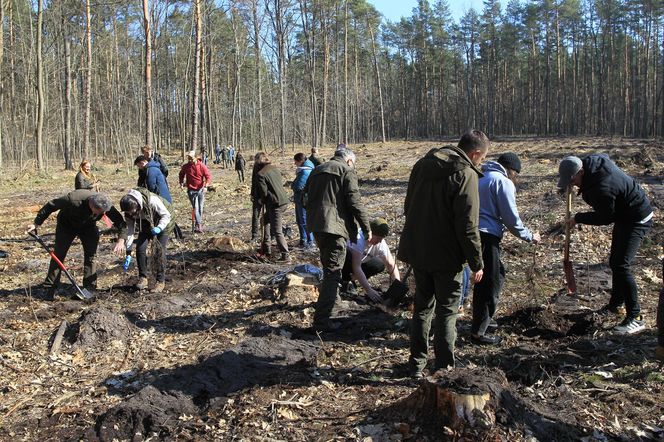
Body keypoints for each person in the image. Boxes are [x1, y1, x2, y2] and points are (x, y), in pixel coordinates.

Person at [398, 130, 488, 377]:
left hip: (419, 251)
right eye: (481, 159)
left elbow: (408, 207)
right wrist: (476, 262)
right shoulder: (466, 173)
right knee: (447, 312)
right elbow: (468, 225)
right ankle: (445, 370)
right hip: (447, 257)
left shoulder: (420, 166)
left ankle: (415, 366)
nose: (480, 163)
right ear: (476, 153)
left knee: (422, 308)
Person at [558, 154, 653, 334]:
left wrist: (578, 218)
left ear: (582, 172)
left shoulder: (602, 188)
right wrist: (573, 186)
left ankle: (636, 316)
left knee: (621, 265)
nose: (572, 184)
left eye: (573, 180)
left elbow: (605, 217)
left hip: (637, 218)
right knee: (615, 262)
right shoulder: (591, 166)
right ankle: (616, 305)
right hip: (624, 215)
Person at [471, 153, 541, 345]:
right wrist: (529, 236)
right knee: (489, 282)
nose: (515, 178)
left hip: (471, 233)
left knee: (495, 274)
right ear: (511, 170)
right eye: (515, 174)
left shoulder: (480, 176)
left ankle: (483, 320)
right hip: (486, 235)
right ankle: (478, 332)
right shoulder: (502, 182)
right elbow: (511, 219)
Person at [305, 147, 372, 331]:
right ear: (349, 161)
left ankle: (335, 302)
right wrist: (366, 228)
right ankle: (321, 322)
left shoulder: (317, 169)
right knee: (333, 273)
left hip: (316, 227)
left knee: (329, 268)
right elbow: (355, 202)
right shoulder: (346, 170)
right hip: (334, 227)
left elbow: (304, 197)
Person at [27, 190, 127, 300]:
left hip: (88, 226)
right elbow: (51, 206)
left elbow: (121, 222)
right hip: (66, 225)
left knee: (91, 255)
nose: (102, 214)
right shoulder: (73, 199)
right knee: (59, 255)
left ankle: (89, 288)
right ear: (91, 205)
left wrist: (121, 240)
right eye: (99, 212)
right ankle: (49, 287)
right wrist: (36, 223)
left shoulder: (105, 205)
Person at [119, 188, 174, 293]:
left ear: (137, 205)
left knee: (159, 250)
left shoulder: (152, 201)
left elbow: (166, 216)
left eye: (132, 212)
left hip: (164, 220)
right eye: (128, 213)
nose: (130, 214)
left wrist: (159, 228)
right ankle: (143, 278)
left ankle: (160, 281)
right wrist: (129, 252)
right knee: (140, 248)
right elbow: (130, 231)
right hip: (145, 222)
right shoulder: (129, 210)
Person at [341, 217, 401, 299]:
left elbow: (391, 264)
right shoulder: (358, 239)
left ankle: (354, 279)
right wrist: (369, 290)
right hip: (346, 263)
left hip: (360, 263)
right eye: (378, 238)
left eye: (382, 239)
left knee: (379, 264)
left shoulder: (381, 243)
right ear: (370, 233)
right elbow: (356, 266)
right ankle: (345, 281)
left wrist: (397, 285)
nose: (380, 241)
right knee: (347, 255)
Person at [255, 152, 290, 261]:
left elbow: (264, 192)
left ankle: (285, 255)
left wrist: (260, 200)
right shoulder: (275, 168)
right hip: (283, 200)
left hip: (275, 204)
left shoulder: (261, 174)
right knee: (264, 220)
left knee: (277, 230)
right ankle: (267, 248)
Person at [179, 150, 211, 233]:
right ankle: (199, 225)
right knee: (195, 208)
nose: (190, 160)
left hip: (200, 189)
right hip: (191, 190)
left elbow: (208, 177)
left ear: (196, 157)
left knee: (200, 208)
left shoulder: (202, 166)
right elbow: (181, 174)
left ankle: (197, 223)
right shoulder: (186, 166)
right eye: (188, 158)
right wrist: (181, 182)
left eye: (191, 158)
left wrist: (206, 186)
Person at [292, 153, 315, 248]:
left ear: (300, 161)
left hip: (303, 199)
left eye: (295, 161)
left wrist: (293, 185)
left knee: (304, 220)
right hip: (300, 198)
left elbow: (297, 186)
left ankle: (310, 242)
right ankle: (303, 240)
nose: (295, 163)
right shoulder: (304, 169)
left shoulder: (305, 171)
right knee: (300, 220)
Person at [250, 156, 263, 241]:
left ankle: (271, 234)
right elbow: (253, 180)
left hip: (267, 195)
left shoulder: (267, 166)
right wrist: (252, 194)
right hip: (257, 194)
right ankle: (254, 235)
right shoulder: (255, 166)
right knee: (255, 215)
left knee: (269, 215)